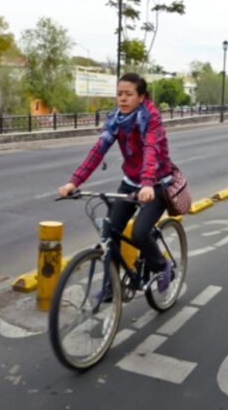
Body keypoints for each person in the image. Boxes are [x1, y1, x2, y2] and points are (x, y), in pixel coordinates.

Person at [58, 73, 174, 293]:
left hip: (157, 184)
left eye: (128, 94)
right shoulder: (115, 119)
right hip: (130, 182)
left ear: (141, 97)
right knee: (110, 232)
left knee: (139, 234)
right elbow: (97, 151)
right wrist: (74, 182)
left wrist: (148, 183)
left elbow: (151, 150)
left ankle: (162, 265)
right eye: (119, 94)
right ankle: (112, 286)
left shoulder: (151, 118)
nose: (122, 99)